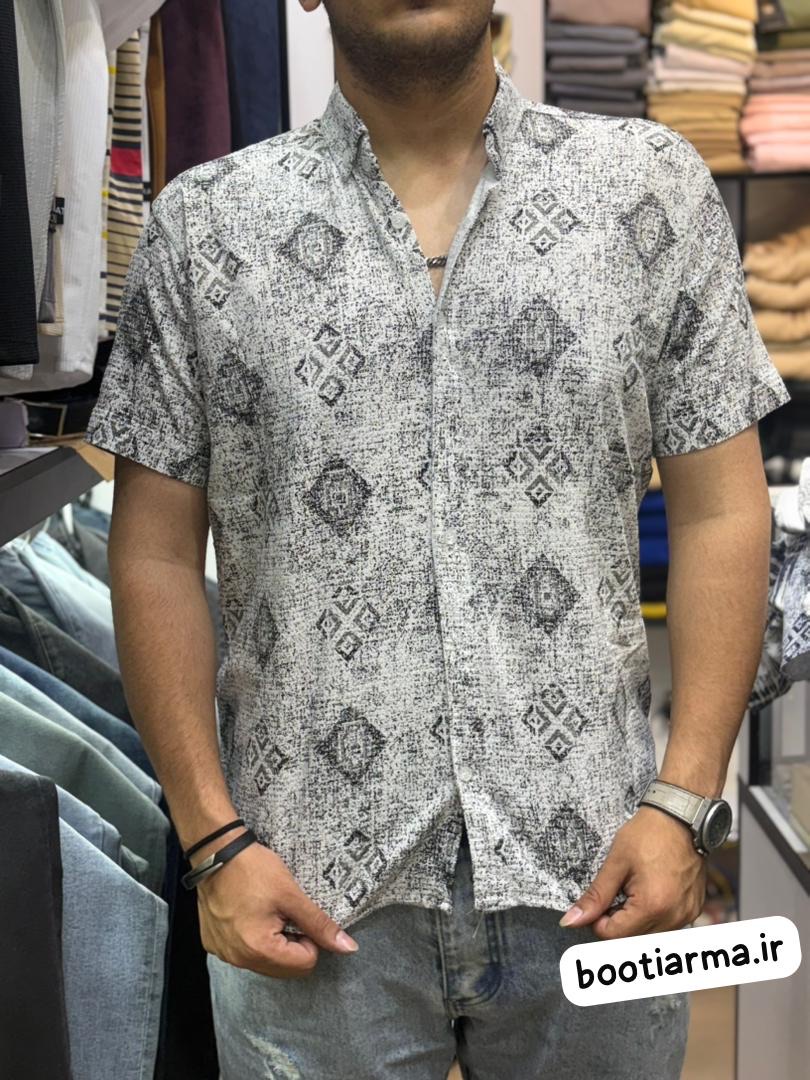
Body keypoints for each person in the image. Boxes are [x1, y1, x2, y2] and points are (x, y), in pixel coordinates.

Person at [84, 1, 790, 1076]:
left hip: (602, 870)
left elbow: (720, 509)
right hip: (304, 889)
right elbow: (154, 554)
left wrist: (686, 801)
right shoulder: (205, 229)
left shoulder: (648, 192)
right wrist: (212, 840)